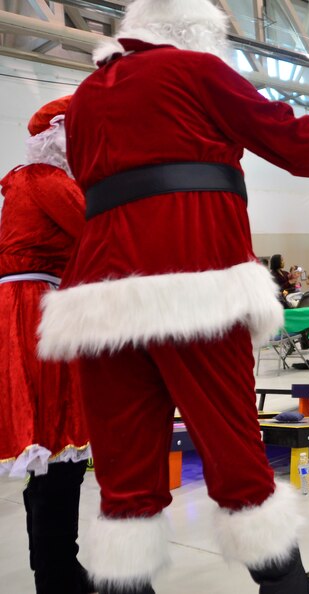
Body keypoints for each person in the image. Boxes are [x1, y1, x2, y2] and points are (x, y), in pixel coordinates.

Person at [36, 1, 309, 592]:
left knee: (124, 465)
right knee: (232, 444)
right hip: (194, 281)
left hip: (98, 299)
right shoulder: (194, 71)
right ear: (196, 33)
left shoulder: (87, 97)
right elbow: (288, 137)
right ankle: (285, 587)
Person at [0, 97, 92, 594]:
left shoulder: (27, 179)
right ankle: (59, 575)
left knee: (55, 456)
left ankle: (60, 569)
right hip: (36, 312)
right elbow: (100, 230)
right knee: (60, 448)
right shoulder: (49, 181)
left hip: (30, 305)